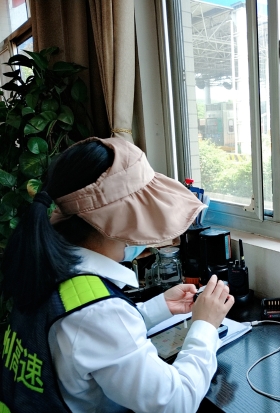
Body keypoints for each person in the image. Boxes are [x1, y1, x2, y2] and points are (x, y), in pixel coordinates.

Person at [0, 137, 235, 412]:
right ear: (119, 220)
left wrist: (157, 308)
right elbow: (176, 402)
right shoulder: (98, 314)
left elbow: (83, 342)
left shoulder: (48, 266)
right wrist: (205, 325)